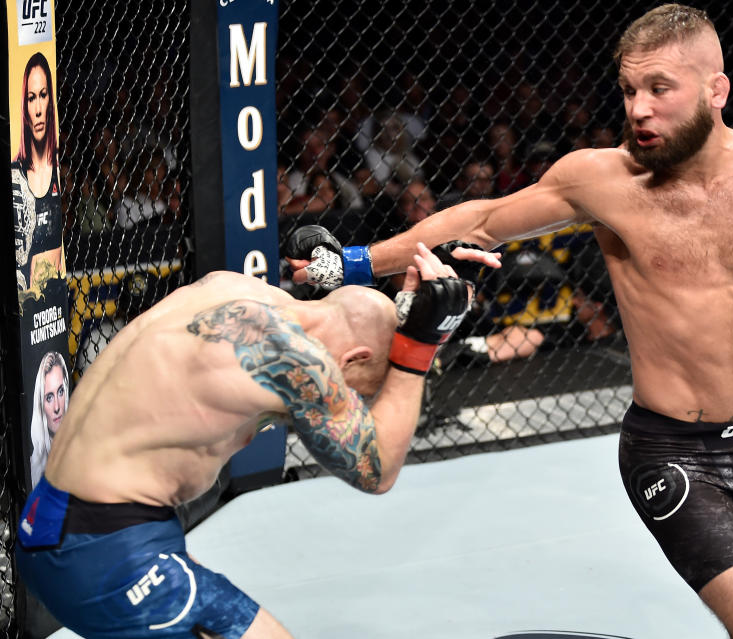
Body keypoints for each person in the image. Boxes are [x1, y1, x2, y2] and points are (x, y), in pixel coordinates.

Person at [286, 5, 733, 638]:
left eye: (659, 88)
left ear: (717, 91)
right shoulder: (602, 181)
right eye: (628, 90)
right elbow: (476, 219)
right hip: (673, 454)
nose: (637, 108)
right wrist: (349, 262)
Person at [16, 242, 472, 639]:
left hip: (57, 520)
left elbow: (363, 305)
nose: (346, 403)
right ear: (353, 358)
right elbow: (377, 469)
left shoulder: (234, 288)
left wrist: (415, 294)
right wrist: (418, 351)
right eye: (356, 392)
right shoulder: (296, 360)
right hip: (104, 551)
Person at [11, 52, 63, 297]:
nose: (39, 108)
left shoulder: (58, 171)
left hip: (54, 306)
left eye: (43, 95)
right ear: (24, 106)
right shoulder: (14, 177)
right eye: (32, 98)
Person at [29, 352, 70, 489]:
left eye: (60, 392)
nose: (57, 407)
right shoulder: (35, 473)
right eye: (49, 398)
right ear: (40, 405)